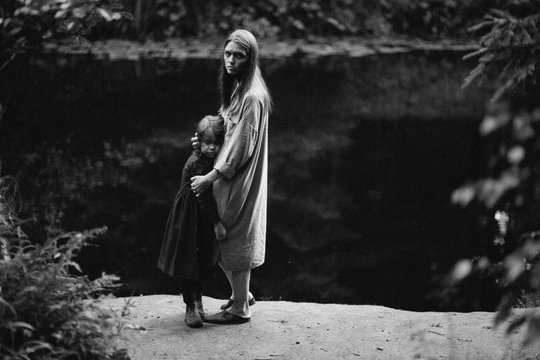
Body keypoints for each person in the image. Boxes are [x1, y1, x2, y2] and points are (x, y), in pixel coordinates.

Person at [190, 29, 272, 325]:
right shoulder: (238, 89)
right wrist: (205, 139)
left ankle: (240, 309)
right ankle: (242, 295)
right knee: (222, 235)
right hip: (228, 176)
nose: (231, 61)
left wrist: (209, 177)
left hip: (238, 179)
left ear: (251, 59)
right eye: (228, 54)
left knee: (233, 235)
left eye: (239, 56)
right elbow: (226, 130)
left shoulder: (252, 96)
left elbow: (239, 149)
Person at [157, 115, 227, 328]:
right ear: (199, 141)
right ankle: (190, 306)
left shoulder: (207, 159)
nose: (212, 148)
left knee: (202, 257)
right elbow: (203, 196)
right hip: (189, 215)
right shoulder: (197, 163)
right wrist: (217, 223)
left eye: (216, 144)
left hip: (200, 215)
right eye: (208, 144)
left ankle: (199, 301)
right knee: (189, 258)